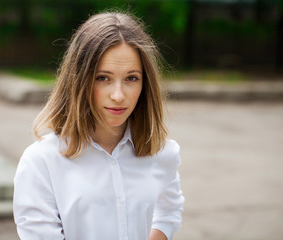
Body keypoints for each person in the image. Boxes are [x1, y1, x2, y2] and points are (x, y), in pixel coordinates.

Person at [13, 11, 184, 240]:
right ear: (79, 79)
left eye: (131, 78)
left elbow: (168, 212)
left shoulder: (162, 152)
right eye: (103, 77)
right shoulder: (41, 162)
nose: (118, 95)